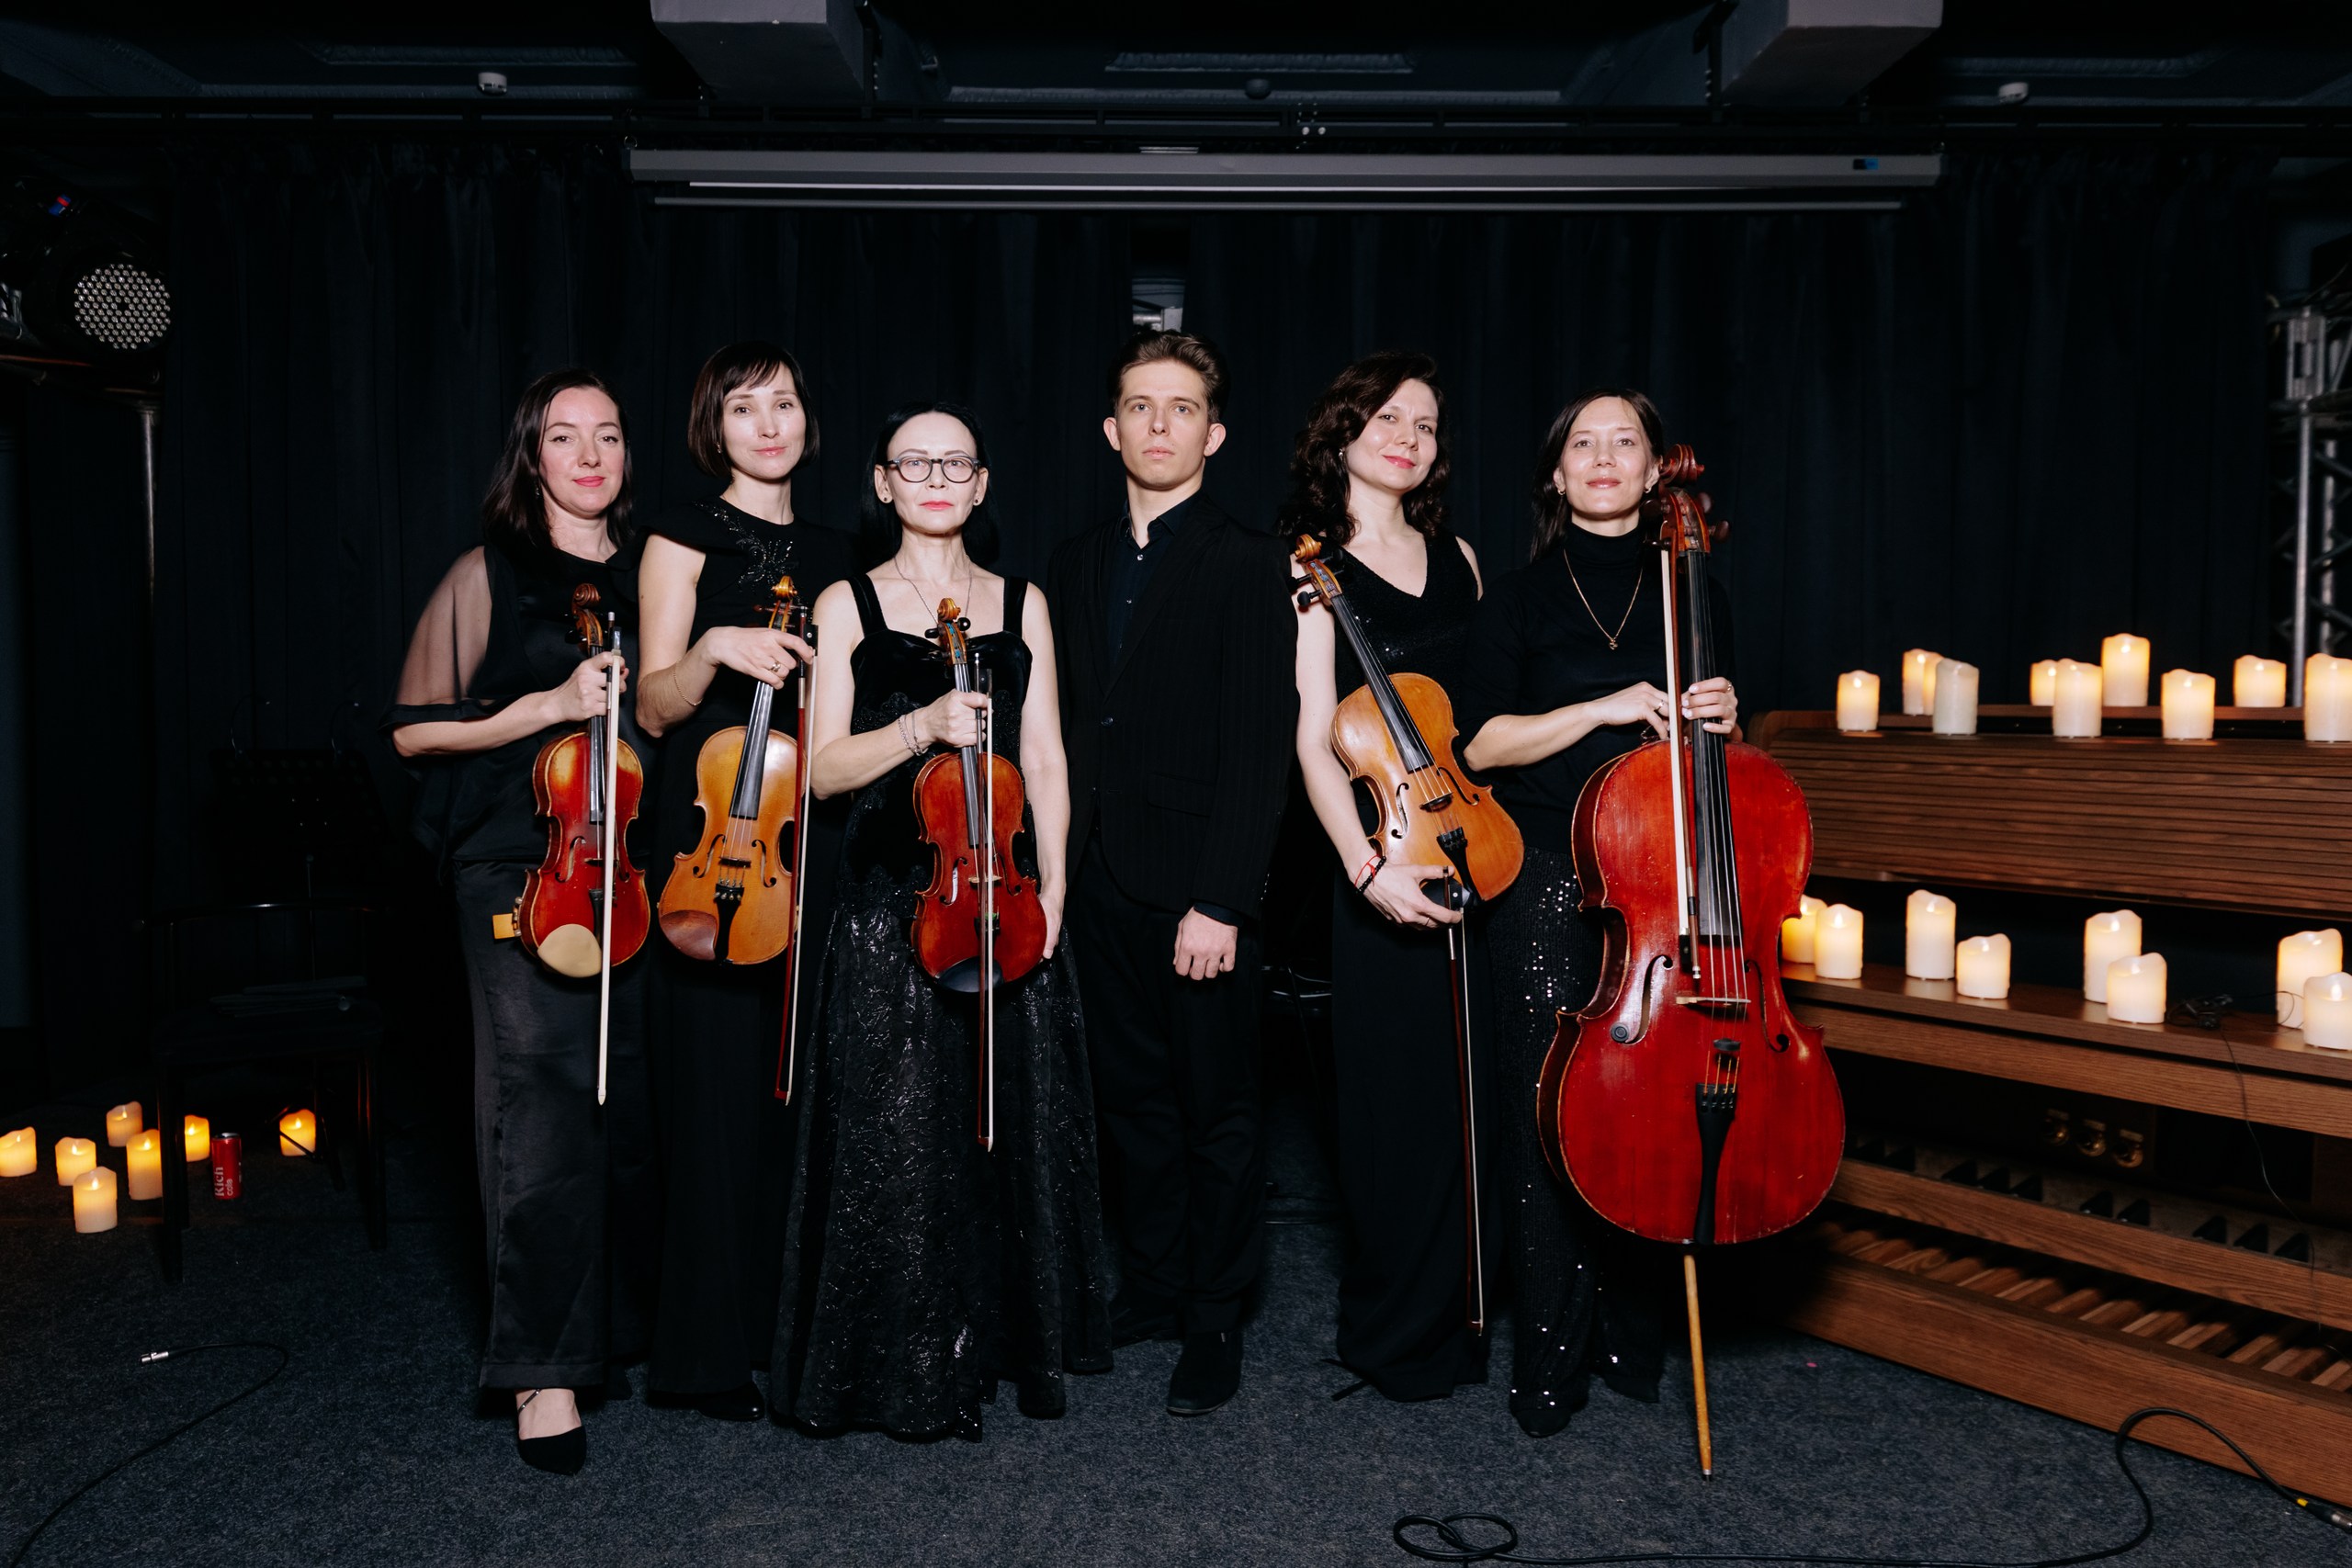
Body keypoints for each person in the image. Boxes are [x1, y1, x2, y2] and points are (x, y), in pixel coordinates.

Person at [769, 400, 1112, 1441]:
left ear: (981, 483)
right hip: (889, 910)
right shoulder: (846, 603)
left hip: (1001, 898)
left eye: (954, 463)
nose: (934, 479)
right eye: (912, 463)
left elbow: (1044, 756)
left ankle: (997, 1347)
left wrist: (1055, 885)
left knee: (1001, 1136)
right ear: (882, 482)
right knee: (900, 1144)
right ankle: (904, 1365)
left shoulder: (1021, 601)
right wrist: (919, 724)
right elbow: (823, 772)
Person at [387, 369, 660, 1474]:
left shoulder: (652, 573)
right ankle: (541, 1372)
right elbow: (413, 732)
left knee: (622, 1106)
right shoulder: (485, 574)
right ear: (530, 456)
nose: (589, 455)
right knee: (538, 1106)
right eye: (563, 436)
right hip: (516, 864)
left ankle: (618, 1334)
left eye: (608, 435)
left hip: (629, 864)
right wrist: (543, 707)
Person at [1454, 389, 1739, 1438]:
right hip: (1544, 879)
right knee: (1547, 1116)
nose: (1605, 456)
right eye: (1584, 441)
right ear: (1555, 472)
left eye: (1627, 441)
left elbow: (1718, 764)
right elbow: (1479, 744)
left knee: (1646, 1114)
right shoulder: (1518, 599)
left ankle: (1631, 1329)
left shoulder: (1691, 585)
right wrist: (1600, 707)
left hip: (1663, 889)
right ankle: (1549, 1351)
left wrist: (1726, 717)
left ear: (1659, 469)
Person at [1046, 330, 1295, 1417]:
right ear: (1111, 430)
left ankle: (1214, 1315)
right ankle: (1150, 1285)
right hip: (1096, 875)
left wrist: (1222, 900)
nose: (1159, 425)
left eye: (1182, 408)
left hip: (1198, 891)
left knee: (1218, 1113)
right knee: (1133, 1105)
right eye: (1141, 407)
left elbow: (1258, 746)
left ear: (1214, 435)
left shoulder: (1250, 560)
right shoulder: (1073, 562)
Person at [633, 342, 856, 1423]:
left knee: (798, 1102)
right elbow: (653, 705)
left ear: (808, 421)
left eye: (785, 403)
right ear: (712, 428)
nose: (769, 425)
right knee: (714, 1103)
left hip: (813, 848)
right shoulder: (680, 537)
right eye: (743, 408)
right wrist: (715, 647)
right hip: (714, 856)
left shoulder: (842, 551)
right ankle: (701, 1357)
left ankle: (788, 1331)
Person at [1283, 351, 1489, 1403]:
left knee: (1480, 1099)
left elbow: (1486, 718)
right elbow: (1314, 738)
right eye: (1387, 419)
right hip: (1384, 858)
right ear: (1345, 432)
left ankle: (1477, 1308)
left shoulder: (1461, 557)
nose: (1407, 437)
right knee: (1396, 1108)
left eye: (1425, 423)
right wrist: (1366, 870)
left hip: (1481, 844)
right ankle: (1395, 1330)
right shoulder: (1312, 568)